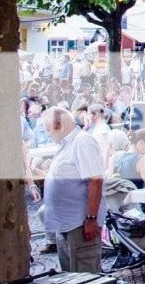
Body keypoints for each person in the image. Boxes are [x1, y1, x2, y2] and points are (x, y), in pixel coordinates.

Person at [41, 107, 104, 273]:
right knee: (71, 275)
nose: (47, 134)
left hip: (79, 224)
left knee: (86, 275)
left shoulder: (82, 142)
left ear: (59, 125)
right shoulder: (68, 144)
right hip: (65, 224)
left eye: (48, 130)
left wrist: (91, 219)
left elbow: (95, 181)